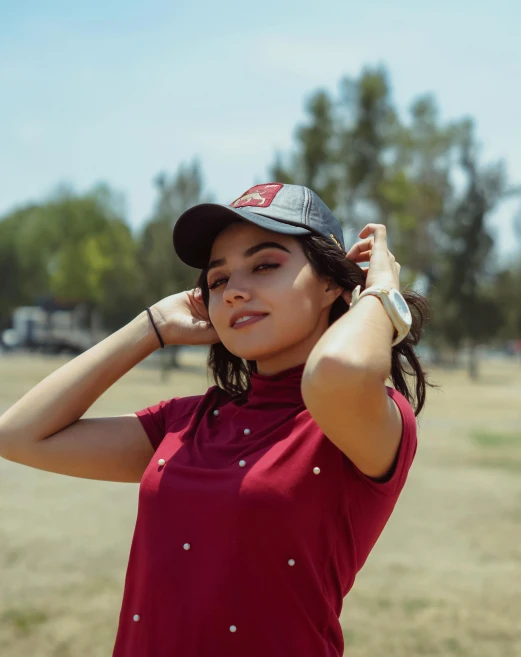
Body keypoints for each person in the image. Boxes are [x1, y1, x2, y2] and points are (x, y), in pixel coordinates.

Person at [0, 182, 434, 656]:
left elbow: (335, 371)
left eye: (265, 265)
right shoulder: (186, 422)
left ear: (332, 282)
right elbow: (19, 435)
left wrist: (380, 294)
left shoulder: (362, 419)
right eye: (218, 279)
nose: (233, 292)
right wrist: (153, 327)